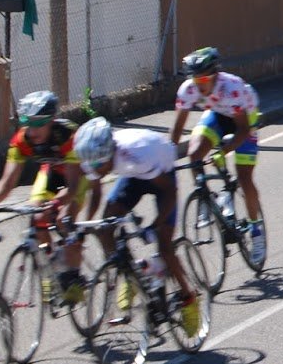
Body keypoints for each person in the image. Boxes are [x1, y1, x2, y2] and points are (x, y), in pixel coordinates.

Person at [72, 117, 201, 338]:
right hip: (132, 175)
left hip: (161, 173)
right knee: (105, 227)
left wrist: (157, 224)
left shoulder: (137, 155)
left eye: (99, 165)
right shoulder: (93, 157)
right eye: (91, 166)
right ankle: (130, 274)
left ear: (111, 154)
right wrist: (84, 225)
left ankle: (189, 298)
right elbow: (96, 194)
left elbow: (170, 191)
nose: (95, 169)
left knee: (165, 246)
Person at [0, 89, 97, 302]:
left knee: (63, 219)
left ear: (52, 121)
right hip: (50, 172)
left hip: (75, 175)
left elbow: (74, 185)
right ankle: (50, 267)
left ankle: (74, 275)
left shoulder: (68, 136)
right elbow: (7, 182)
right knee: (36, 215)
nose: (32, 130)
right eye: (27, 123)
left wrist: (57, 203)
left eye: (39, 124)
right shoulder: (22, 140)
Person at [168, 47, 266, 264]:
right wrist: (166, 156)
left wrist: (223, 152)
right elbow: (176, 130)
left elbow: (241, 130)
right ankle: (205, 197)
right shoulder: (188, 89)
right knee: (194, 154)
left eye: (203, 79)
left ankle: (256, 230)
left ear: (215, 76)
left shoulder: (232, 88)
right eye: (195, 80)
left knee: (244, 178)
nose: (198, 85)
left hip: (244, 119)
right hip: (218, 114)